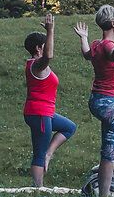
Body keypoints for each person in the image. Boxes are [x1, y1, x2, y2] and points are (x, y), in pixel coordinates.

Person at [75, 6, 114, 197]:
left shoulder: (97, 44)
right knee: (108, 154)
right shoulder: (108, 46)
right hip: (111, 103)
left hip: (98, 101)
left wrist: (83, 37)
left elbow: (86, 54)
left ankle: (110, 145)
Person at [22, 14, 75, 186]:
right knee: (38, 152)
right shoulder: (37, 65)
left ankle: (48, 154)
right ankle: (38, 189)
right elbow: (49, 56)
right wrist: (50, 30)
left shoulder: (37, 65)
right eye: (45, 45)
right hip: (39, 113)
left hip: (45, 113)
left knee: (69, 127)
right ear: (39, 48)